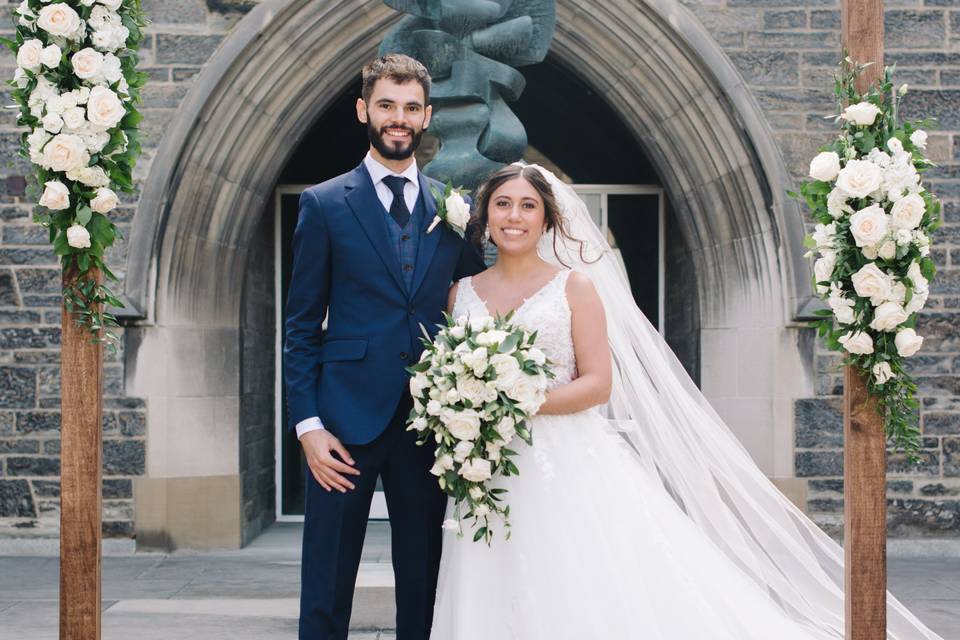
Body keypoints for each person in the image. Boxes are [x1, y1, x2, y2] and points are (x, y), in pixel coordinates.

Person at [430, 163, 944, 640]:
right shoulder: (461, 294)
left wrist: (515, 400)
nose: (513, 216)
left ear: (546, 218)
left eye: (527, 205)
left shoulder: (575, 288)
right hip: (488, 467)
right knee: (494, 571)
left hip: (562, 462)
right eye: (502, 204)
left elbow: (597, 384)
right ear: (484, 216)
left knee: (572, 576)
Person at [283, 54, 485, 640]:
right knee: (327, 574)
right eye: (387, 106)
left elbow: (472, 301)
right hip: (343, 421)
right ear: (363, 111)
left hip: (428, 421)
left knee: (423, 574)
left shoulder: (453, 209)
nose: (399, 118)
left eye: (411, 108)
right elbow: (300, 326)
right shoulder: (323, 203)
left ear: (426, 117)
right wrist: (308, 426)